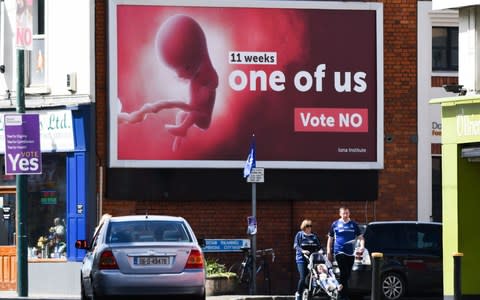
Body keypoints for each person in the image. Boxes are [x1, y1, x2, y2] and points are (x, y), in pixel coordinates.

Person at [118, 14, 219, 152]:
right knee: (181, 115)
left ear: (199, 53)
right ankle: (180, 135)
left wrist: (205, 93)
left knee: (193, 115)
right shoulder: (196, 74)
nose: (180, 75)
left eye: (186, 67)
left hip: (203, 117)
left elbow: (214, 83)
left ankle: (182, 129)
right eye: (176, 71)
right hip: (192, 109)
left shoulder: (210, 74)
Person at [327, 207, 364, 300]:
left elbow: (361, 237)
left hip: (350, 253)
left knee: (347, 274)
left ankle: (338, 289)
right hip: (339, 251)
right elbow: (330, 239)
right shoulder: (335, 224)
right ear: (340, 214)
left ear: (349, 213)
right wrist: (328, 251)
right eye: (343, 213)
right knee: (344, 272)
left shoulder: (354, 224)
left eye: (347, 213)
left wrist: (362, 246)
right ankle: (343, 296)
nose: (345, 215)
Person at [293, 219, 321, 300]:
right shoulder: (299, 235)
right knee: (303, 277)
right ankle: (298, 294)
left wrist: (321, 252)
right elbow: (296, 246)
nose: (309, 228)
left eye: (310, 226)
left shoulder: (314, 236)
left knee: (313, 276)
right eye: (307, 226)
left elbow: (319, 247)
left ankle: (309, 293)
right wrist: (303, 251)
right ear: (304, 227)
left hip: (312, 259)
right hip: (301, 259)